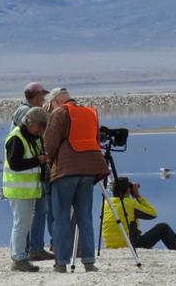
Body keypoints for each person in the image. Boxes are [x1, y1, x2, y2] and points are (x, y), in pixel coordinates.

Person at [43, 88, 109, 273]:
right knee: (85, 217)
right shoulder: (90, 112)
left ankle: (61, 262)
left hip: (66, 171)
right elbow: (95, 139)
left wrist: (50, 162)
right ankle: (89, 261)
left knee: (61, 217)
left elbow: (50, 142)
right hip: (89, 171)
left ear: (55, 101)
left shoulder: (60, 112)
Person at [3, 107, 49, 272]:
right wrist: (38, 160)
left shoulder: (33, 137)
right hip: (18, 190)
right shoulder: (16, 137)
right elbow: (15, 164)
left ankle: (17, 255)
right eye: (42, 126)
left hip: (28, 189)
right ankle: (18, 259)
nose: (43, 130)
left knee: (23, 224)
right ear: (33, 123)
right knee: (21, 224)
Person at [12, 82, 54, 260]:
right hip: (26, 177)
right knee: (31, 215)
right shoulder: (26, 113)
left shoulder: (28, 111)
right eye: (42, 95)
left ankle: (32, 248)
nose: (44, 99)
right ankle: (31, 249)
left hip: (32, 174)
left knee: (37, 212)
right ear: (35, 96)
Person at [102, 177, 176, 251]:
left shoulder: (106, 203)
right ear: (128, 190)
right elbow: (152, 214)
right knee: (163, 227)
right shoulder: (130, 203)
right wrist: (137, 196)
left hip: (109, 246)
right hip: (130, 245)